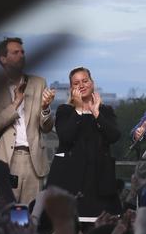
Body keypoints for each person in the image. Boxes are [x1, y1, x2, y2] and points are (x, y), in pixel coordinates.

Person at [0, 37, 55, 206]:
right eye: (15, 52)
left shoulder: (39, 83)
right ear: (3, 59)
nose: (22, 55)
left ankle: (25, 233)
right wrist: (16, 104)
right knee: (4, 214)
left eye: (23, 52)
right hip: (4, 161)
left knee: (28, 216)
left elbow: (46, 127)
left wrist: (45, 108)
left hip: (33, 162)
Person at [47, 67, 121, 216]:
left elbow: (114, 136)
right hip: (71, 180)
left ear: (92, 83)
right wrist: (79, 109)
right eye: (76, 83)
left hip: (100, 182)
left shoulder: (106, 111)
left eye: (85, 81)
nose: (81, 85)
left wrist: (96, 113)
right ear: (71, 88)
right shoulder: (64, 110)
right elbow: (66, 137)